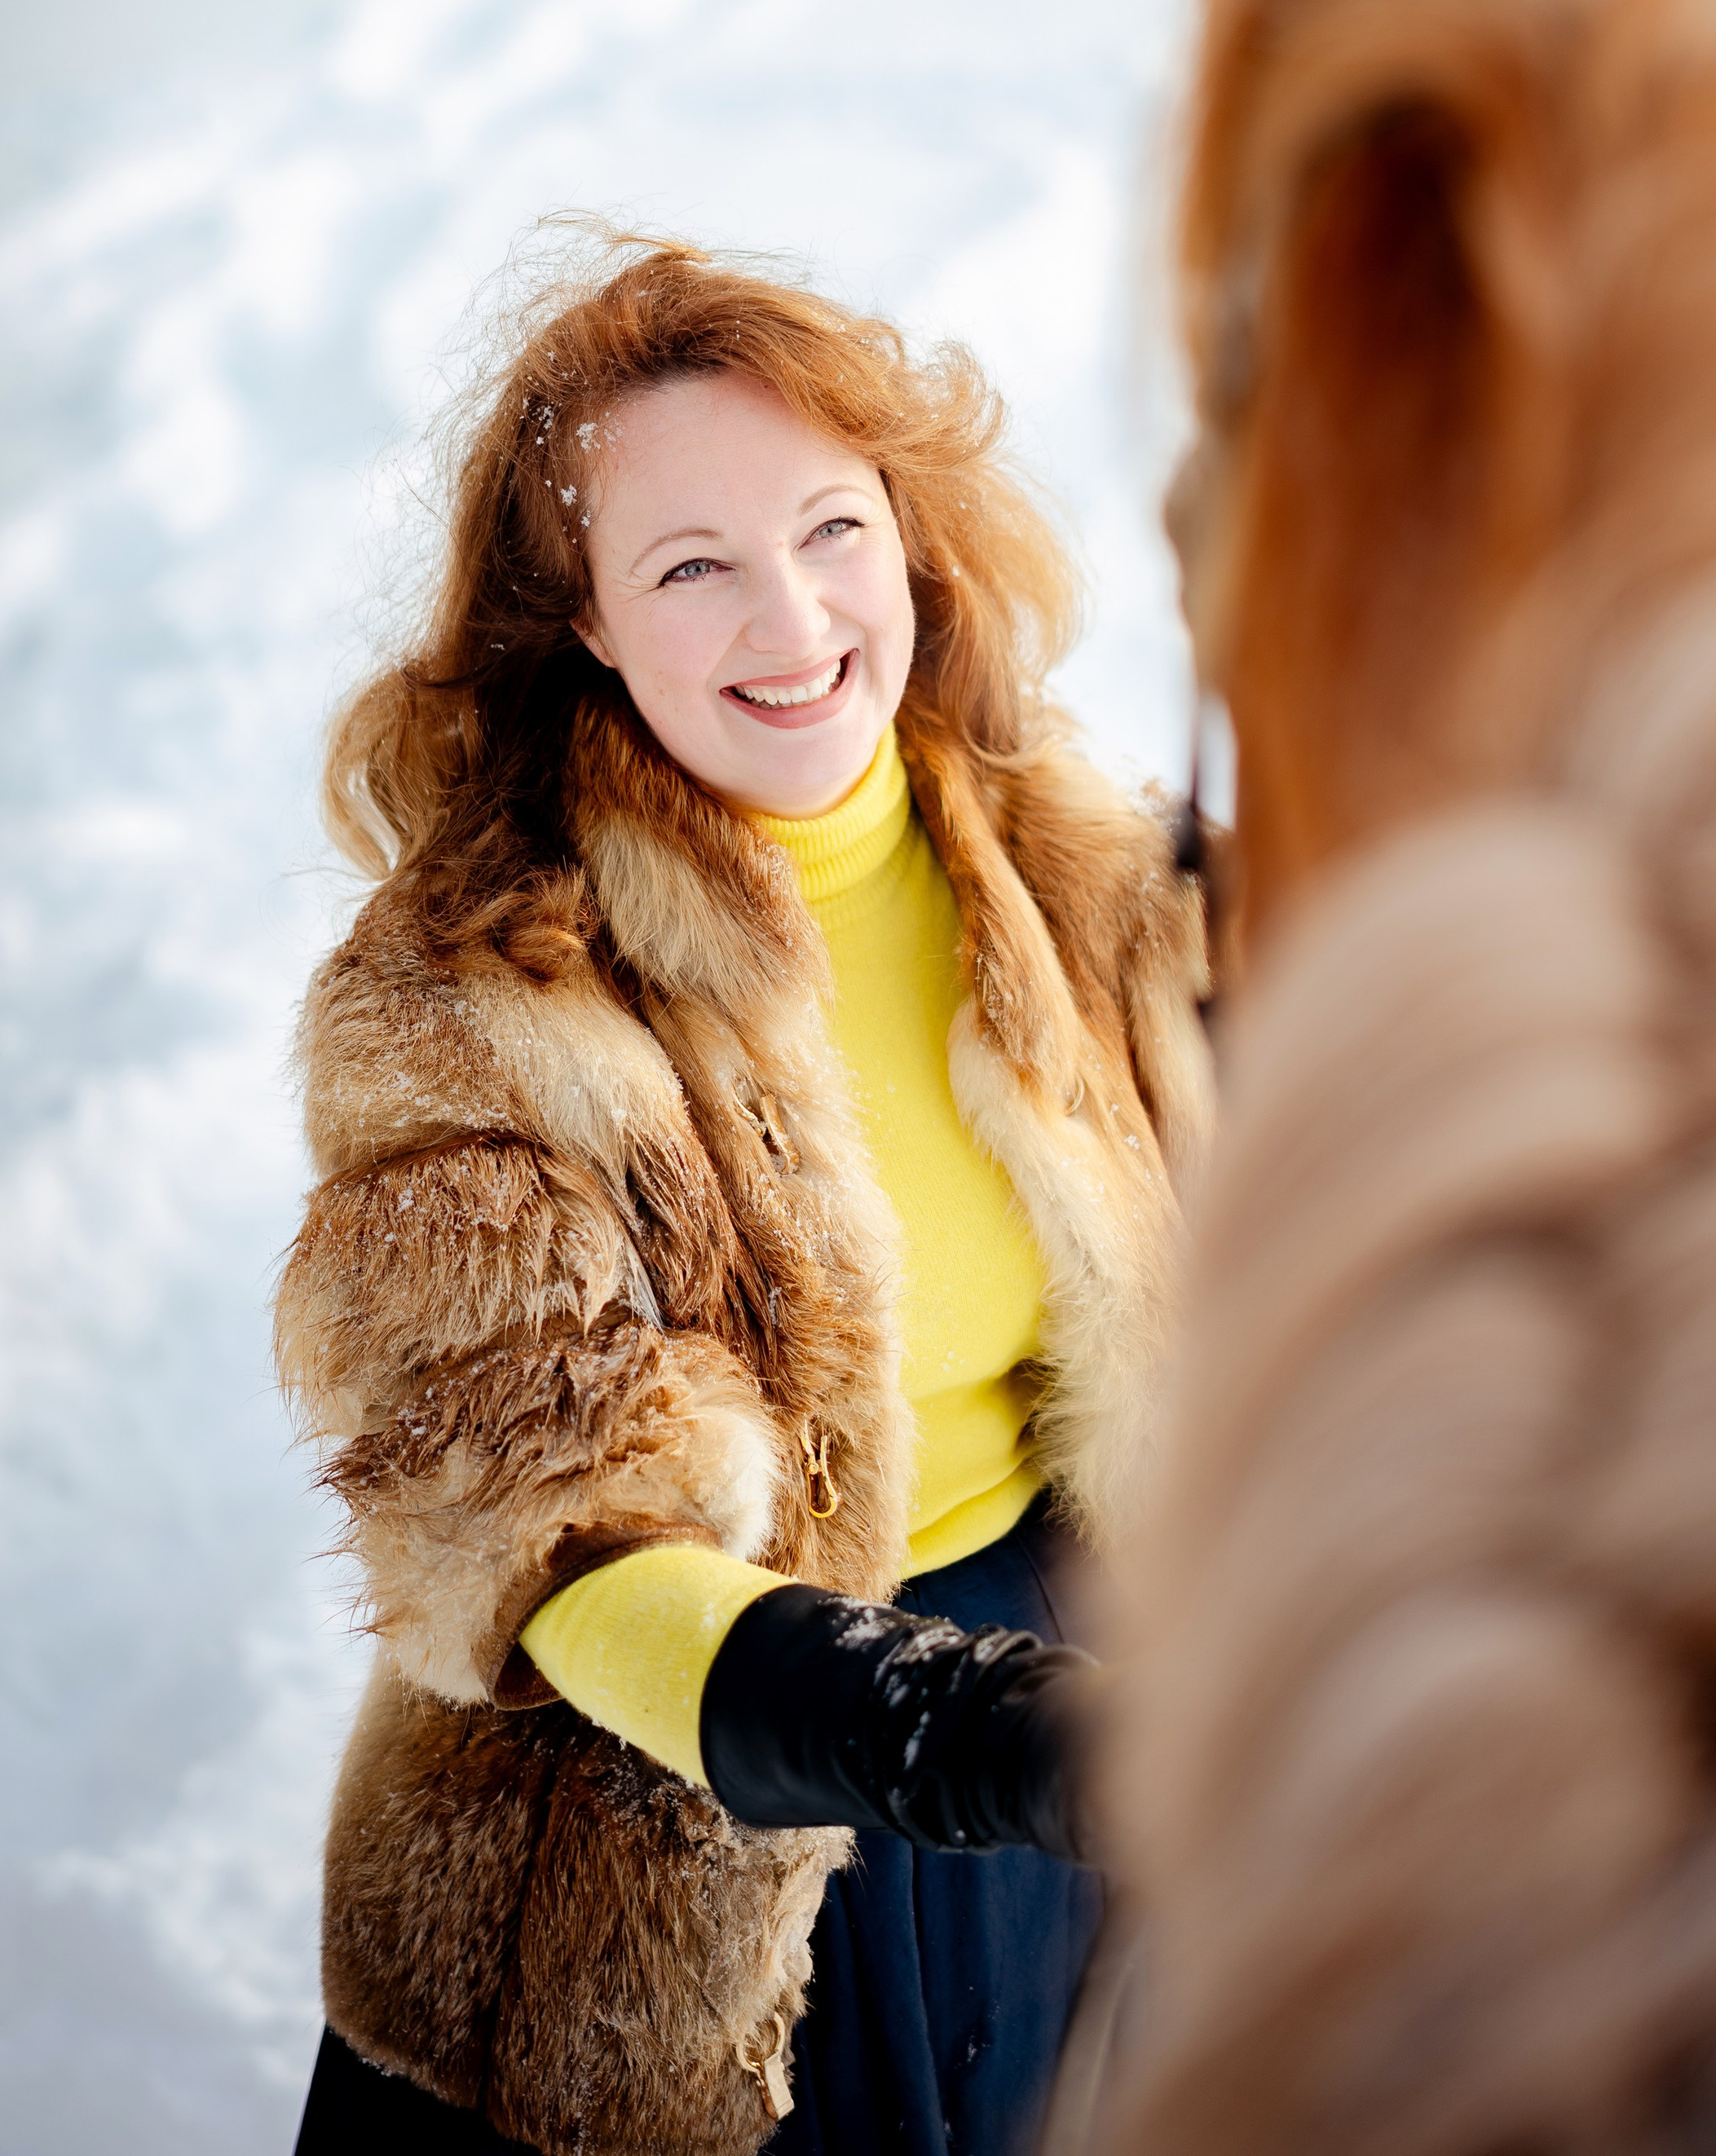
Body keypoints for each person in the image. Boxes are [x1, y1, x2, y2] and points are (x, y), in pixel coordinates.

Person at [278, 237, 1212, 2156]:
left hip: (1051, 1796)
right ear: (590, 626)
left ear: (915, 541)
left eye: (830, 530)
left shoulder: (1075, 872)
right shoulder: (474, 993)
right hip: (667, 1823)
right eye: (692, 567)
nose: (790, 621)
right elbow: (548, 1550)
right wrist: (947, 1730)